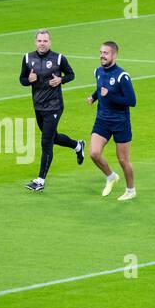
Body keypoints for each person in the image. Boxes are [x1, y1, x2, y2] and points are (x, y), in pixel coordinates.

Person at [20, 29, 83, 192]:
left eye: (45, 41)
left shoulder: (58, 58)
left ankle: (40, 181)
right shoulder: (28, 58)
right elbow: (22, 79)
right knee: (53, 137)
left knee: (46, 142)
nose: (42, 43)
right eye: (40, 41)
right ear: (35, 42)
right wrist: (29, 80)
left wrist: (61, 79)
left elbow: (71, 74)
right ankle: (77, 145)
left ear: (50, 42)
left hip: (54, 106)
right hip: (38, 106)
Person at [86, 41, 136, 201]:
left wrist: (110, 96)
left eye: (106, 53)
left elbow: (131, 100)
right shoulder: (98, 72)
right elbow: (101, 88)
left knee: (123, 160)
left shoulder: (122, 76)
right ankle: (111, 176)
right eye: (101, 52)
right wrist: (94, 97)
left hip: (120, 122)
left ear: (114, 55)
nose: (102, 55)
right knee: (94, 153)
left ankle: (130, 190)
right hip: (102, 120)